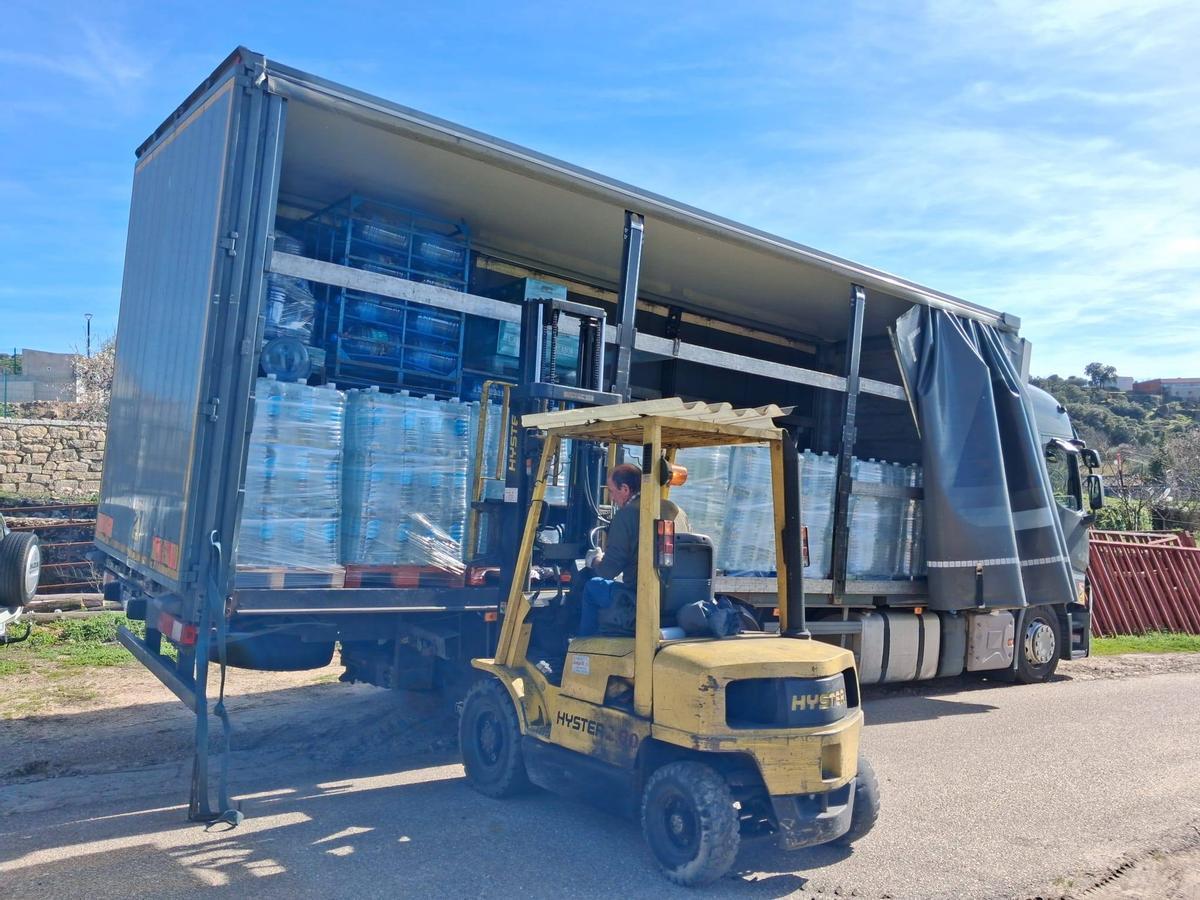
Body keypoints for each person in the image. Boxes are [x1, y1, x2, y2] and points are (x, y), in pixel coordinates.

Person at [576, 462, 689, 637]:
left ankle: (582, 646)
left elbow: (608, 571)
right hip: (676, 602)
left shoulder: (627, 515)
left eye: (612, 491)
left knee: (592, 587)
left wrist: (595, 560)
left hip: (641, 601)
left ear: (625, 489)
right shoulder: (678, 512)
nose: (611, 498)